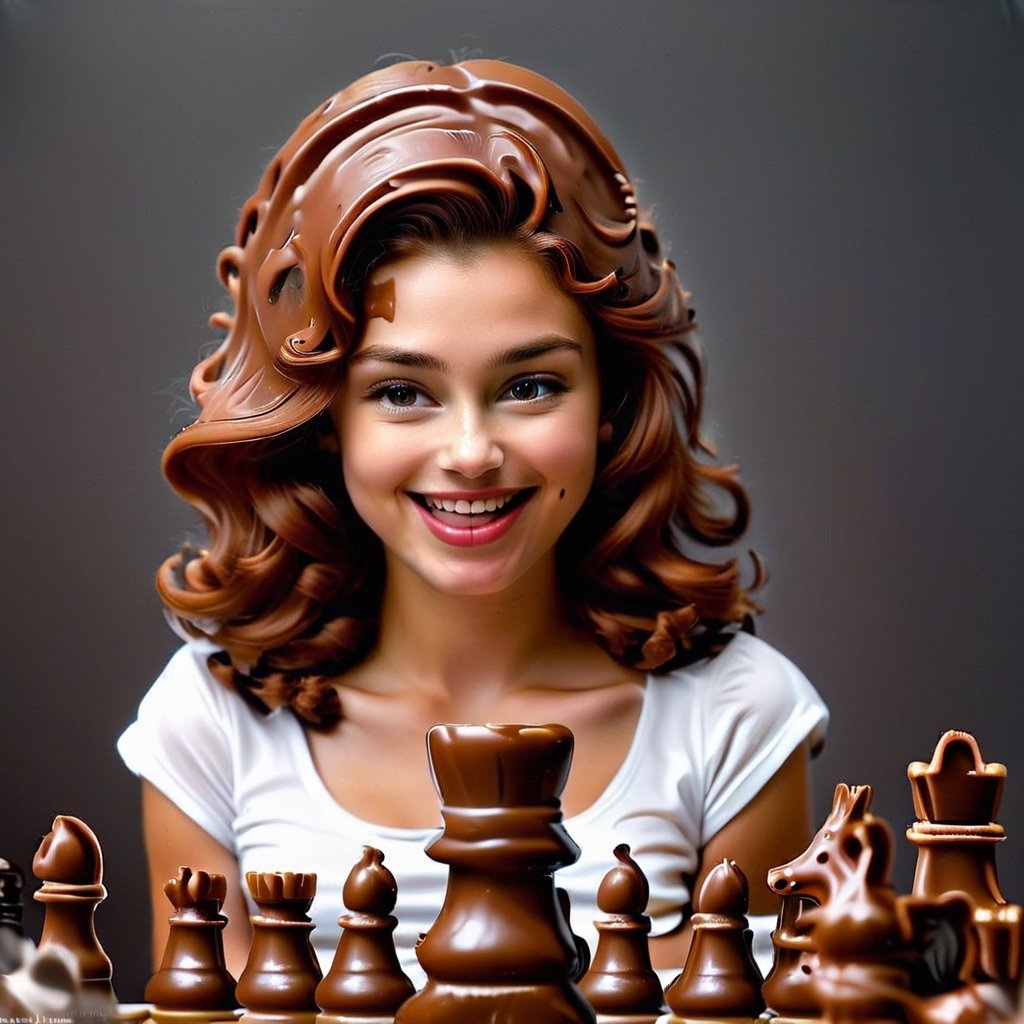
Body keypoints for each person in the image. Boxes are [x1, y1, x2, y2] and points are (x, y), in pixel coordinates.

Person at [118, 59, 828, 985]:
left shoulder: (737, 720)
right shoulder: (210, 726)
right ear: (326, 417)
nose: (470, 452)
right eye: (402, 391)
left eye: (530, 385)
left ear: (609, 400)